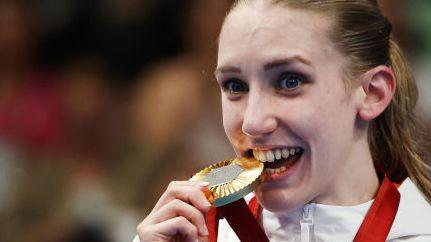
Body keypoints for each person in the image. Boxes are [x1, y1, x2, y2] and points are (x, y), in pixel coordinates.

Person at [134, 0, 431, 241]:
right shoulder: (187, 234)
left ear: (371, 93)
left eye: (289, 81)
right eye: (235, 86)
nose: (252, 123)